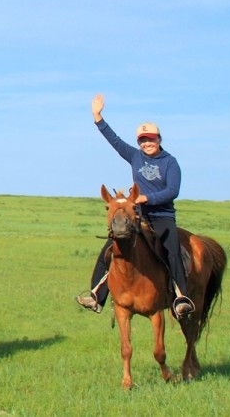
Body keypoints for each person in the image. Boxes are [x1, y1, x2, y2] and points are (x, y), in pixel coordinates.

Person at [75, 94, 195, 318]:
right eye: (143, 140)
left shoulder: (170, 162)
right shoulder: (135, 156)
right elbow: (115, 141)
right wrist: (97, 117)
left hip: (162, 216)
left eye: (151, 139)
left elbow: (173, 190)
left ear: (159, 139)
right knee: (110, 249)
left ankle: (181, 297)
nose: (147, 143)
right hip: (137, 217)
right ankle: (96, 295)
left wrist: (147, 199)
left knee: (172, 251)